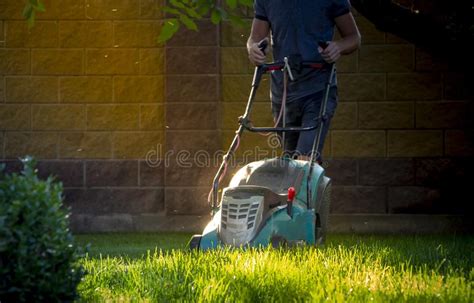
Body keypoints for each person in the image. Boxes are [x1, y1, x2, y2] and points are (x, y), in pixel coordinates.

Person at [247, 0, 361, 163]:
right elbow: (255, 39)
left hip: (317, 89)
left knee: (304, 160)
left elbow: (354, 37)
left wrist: (337, 47)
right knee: (289, 162)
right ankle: (301, 187)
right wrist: (253, 49)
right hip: (283, 95)